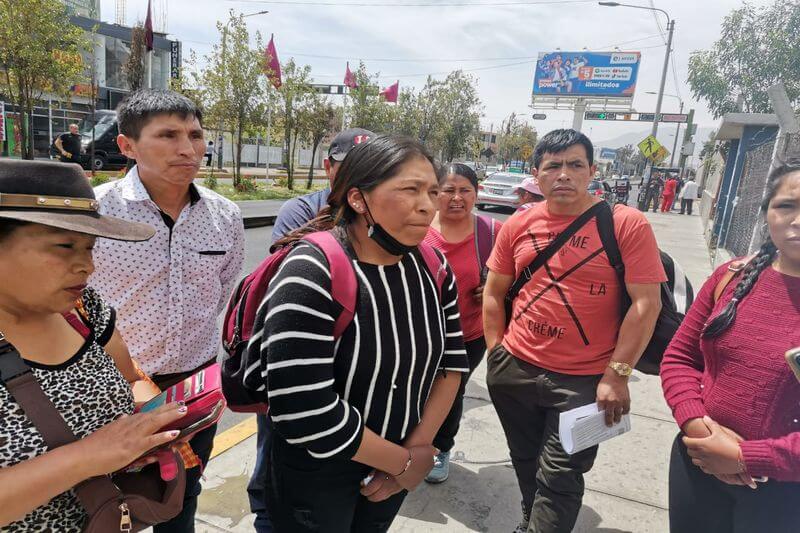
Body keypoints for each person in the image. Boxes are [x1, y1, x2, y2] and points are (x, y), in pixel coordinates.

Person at [244, 135, 469, 532]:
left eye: (431, 191)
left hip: (401, 459)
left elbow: (451, 364)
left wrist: (419, 448)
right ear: (358, 199)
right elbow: (304, 408)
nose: (428, 205)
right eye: (410, 190)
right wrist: (402, 463)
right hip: (315, 477)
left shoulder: (433, 267)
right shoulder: (312, 271)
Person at [482, 129, 666, 533]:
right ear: (537, 174)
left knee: (562, 478)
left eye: (575, 165)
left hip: (586, 382)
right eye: (553, 166)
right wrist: (497, 353)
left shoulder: (626, 224)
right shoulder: (518, 224)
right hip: (514, 370)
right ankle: (531, 519)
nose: (564, 174)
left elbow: (645, 304)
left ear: (591, 171)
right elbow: (494, 293)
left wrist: (617, 375)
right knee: (525, 459)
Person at [0, 159, 189, 531]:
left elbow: (130, 378)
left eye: (89, 248)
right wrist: (89, 456)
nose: (87, 266)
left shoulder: (84, 309)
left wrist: (149, 429)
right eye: (64, 246)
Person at [89, 90, 245, 533]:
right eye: (168, 135)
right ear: (127, 146)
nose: (188, 148)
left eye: (195, 135)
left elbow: (220, 294)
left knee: (182, 492)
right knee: (102, 495)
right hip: (114, 385)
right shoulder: (97, 211)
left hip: (193, 386)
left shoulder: (224, 216)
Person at [660, 160, 800, 533]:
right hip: (698, 462)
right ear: (768, 211)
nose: (797, 220)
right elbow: (679, 358)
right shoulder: (732, 277)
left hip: (785, 495)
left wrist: (745, 457)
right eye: (787, 205)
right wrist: (697, 427)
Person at [246, 127, 374, 533]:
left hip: (353, 361)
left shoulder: (386, 212)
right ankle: (267, 515)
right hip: (298, 351)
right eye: (346, 167)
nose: (357, 175)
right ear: (328, 167)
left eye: (368, 168)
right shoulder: (302, 211)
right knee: (277, 445)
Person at [422, 163, 503, 483]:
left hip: (468, 334)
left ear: (476, 193)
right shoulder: (419, 225)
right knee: (414, 391)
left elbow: (515, 277)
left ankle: (441, 449)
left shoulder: (492, 232)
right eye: (448, 190)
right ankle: (406, 445)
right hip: (419, 332)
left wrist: (497, 289)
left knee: (451, 392)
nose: (457, 197)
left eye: (465, 190)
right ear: (436, 193)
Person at [271, 128, 374, 243]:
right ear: (328, 167)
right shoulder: (301, 212)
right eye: (349, 167)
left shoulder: (388, 215)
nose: (361, 176)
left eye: (372, 169)